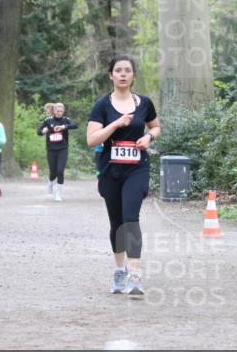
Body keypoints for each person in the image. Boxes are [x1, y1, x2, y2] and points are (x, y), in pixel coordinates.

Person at [86, 55, 161, 296]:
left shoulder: (145, 103)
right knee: (117, 222)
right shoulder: (102, 106)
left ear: (133, 76)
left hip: (137, 168)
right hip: (110, 170)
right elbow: (91, 140)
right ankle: (120, 270)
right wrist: (115, 124)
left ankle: (135, 275)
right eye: (118, 70)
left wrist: (148, 137)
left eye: (127, 70)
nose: (123, 74)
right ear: (111, 75)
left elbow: (156, 126)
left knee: (130, 218)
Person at [38, 102, 78, 201]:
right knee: (53, 172)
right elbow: (39, 131)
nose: (59, 113)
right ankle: (51, 182)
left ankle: (58, 194)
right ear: (54, 111)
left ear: (63, 111)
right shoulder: (48, 120)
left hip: (62, 149)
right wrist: (43, 131)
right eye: (57, 111)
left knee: (60, 170)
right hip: (51, 149)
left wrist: (64, 127)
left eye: (61, 111)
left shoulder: (66, 120)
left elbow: (74, 125)